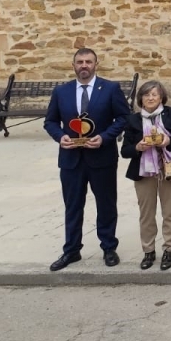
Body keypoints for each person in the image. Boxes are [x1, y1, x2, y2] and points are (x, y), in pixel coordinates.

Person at [43, 48, 131, 270]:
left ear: (96, 64)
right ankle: (71, 251)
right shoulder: (61, 92)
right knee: (72, 206)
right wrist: (59, 136)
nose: (84, 65)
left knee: (106, 205)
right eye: (80, 62)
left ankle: (109, 247)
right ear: (73, 65)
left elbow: (123, 118)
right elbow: (50, 121)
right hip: (71, 159)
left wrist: (104, 137)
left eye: (88, 62)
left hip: (102, 158)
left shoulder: (110, 89)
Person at [120, 80, 171, 271]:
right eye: (146, 94)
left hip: (169, 169)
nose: (151, 98)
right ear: (141, 98)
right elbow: (124, 151)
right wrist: (138, 147)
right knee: (146, 214)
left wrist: (169, 141)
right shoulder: (133, 120)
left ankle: (169, 249)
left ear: (161, 97)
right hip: (144, 172)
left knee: (169, 211)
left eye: (154, 94)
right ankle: (148, 251)